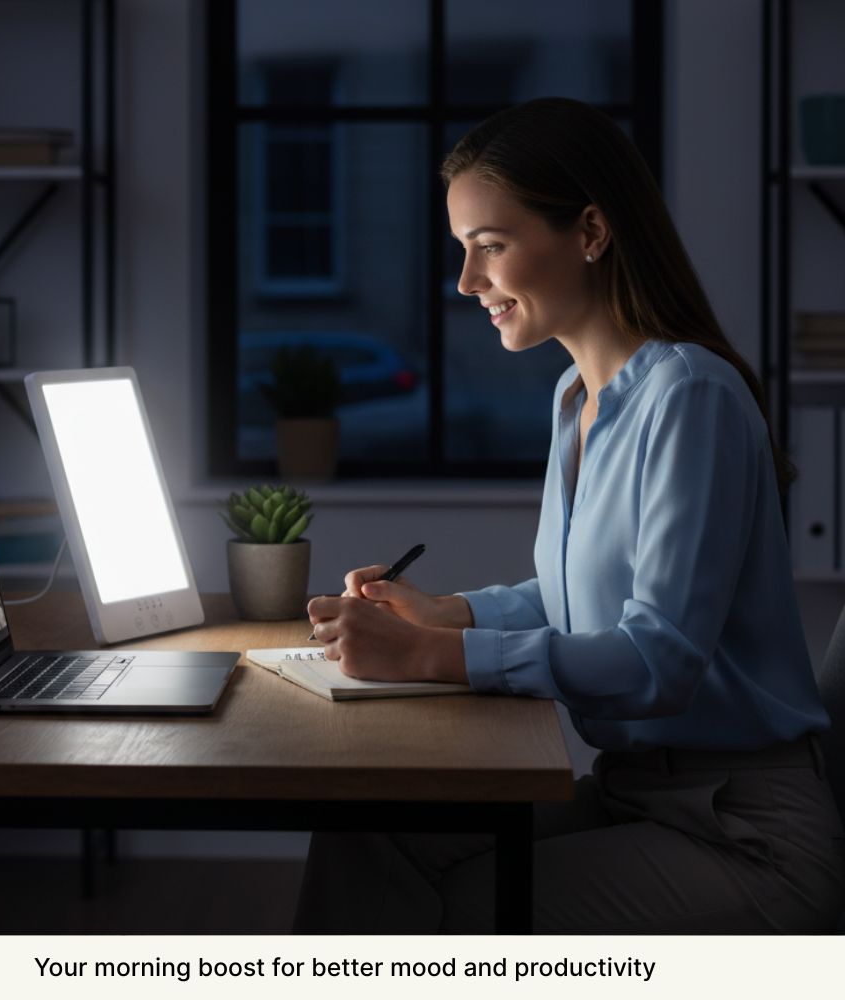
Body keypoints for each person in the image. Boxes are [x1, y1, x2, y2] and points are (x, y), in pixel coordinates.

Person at [297, 98, 845, 934]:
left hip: (744, 830)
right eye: (463, 251)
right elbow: (577, 595)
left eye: (491, 247)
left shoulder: (690, 395)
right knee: (370, 837)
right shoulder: (574, 397)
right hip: (637, 793)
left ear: (590, 231)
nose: (467, 283)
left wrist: (434, 655)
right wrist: (448, 612)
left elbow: (657, 659)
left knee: (474, 914)